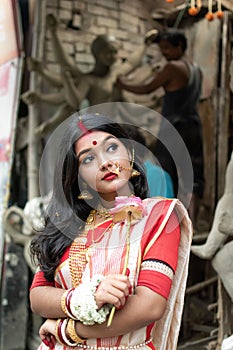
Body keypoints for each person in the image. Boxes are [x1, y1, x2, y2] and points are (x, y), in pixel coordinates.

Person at [29, 112, 193, 350]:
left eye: (112, 148)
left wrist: (67, 330)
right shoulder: (67, 227)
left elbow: (149, 306)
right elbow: (38, 296)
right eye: (88, 159)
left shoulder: (160, 217)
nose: (105, 162)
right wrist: (85, 297)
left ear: (130, 152)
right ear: (79, 178)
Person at [116, 29, 205, 225]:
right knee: (194, 174)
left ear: (179, 47)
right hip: (193, 125)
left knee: (165, 172)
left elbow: (147, 88)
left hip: (174, 128)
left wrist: (123, 85)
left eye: (166, 48)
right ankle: (193, 222)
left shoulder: (172, 67)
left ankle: (167, 223)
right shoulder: (196, 69)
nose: (163, 52)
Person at [22, 13, 157, 137]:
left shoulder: (116, 73)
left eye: (115, 52)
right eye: (108, 52)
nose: (113, 56)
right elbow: (74, 98)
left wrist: (145, 45)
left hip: (119, 127)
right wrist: (53, 33)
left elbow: (131, 63)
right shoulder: (89, 80)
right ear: (97, 54)